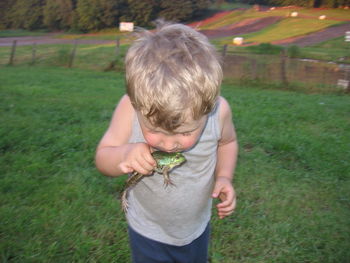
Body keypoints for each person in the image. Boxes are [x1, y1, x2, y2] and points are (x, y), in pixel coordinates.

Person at [95, 21, 238, 263]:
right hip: (147, 230)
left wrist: (224, 177)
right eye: (154, 130)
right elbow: (102, 157)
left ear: (208, 107)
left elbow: (228, 143)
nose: (170, 145)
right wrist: (123, 154)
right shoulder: (130, 109)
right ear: (136, 104)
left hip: (196, 229)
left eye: (185, 133)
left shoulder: (219, 111)